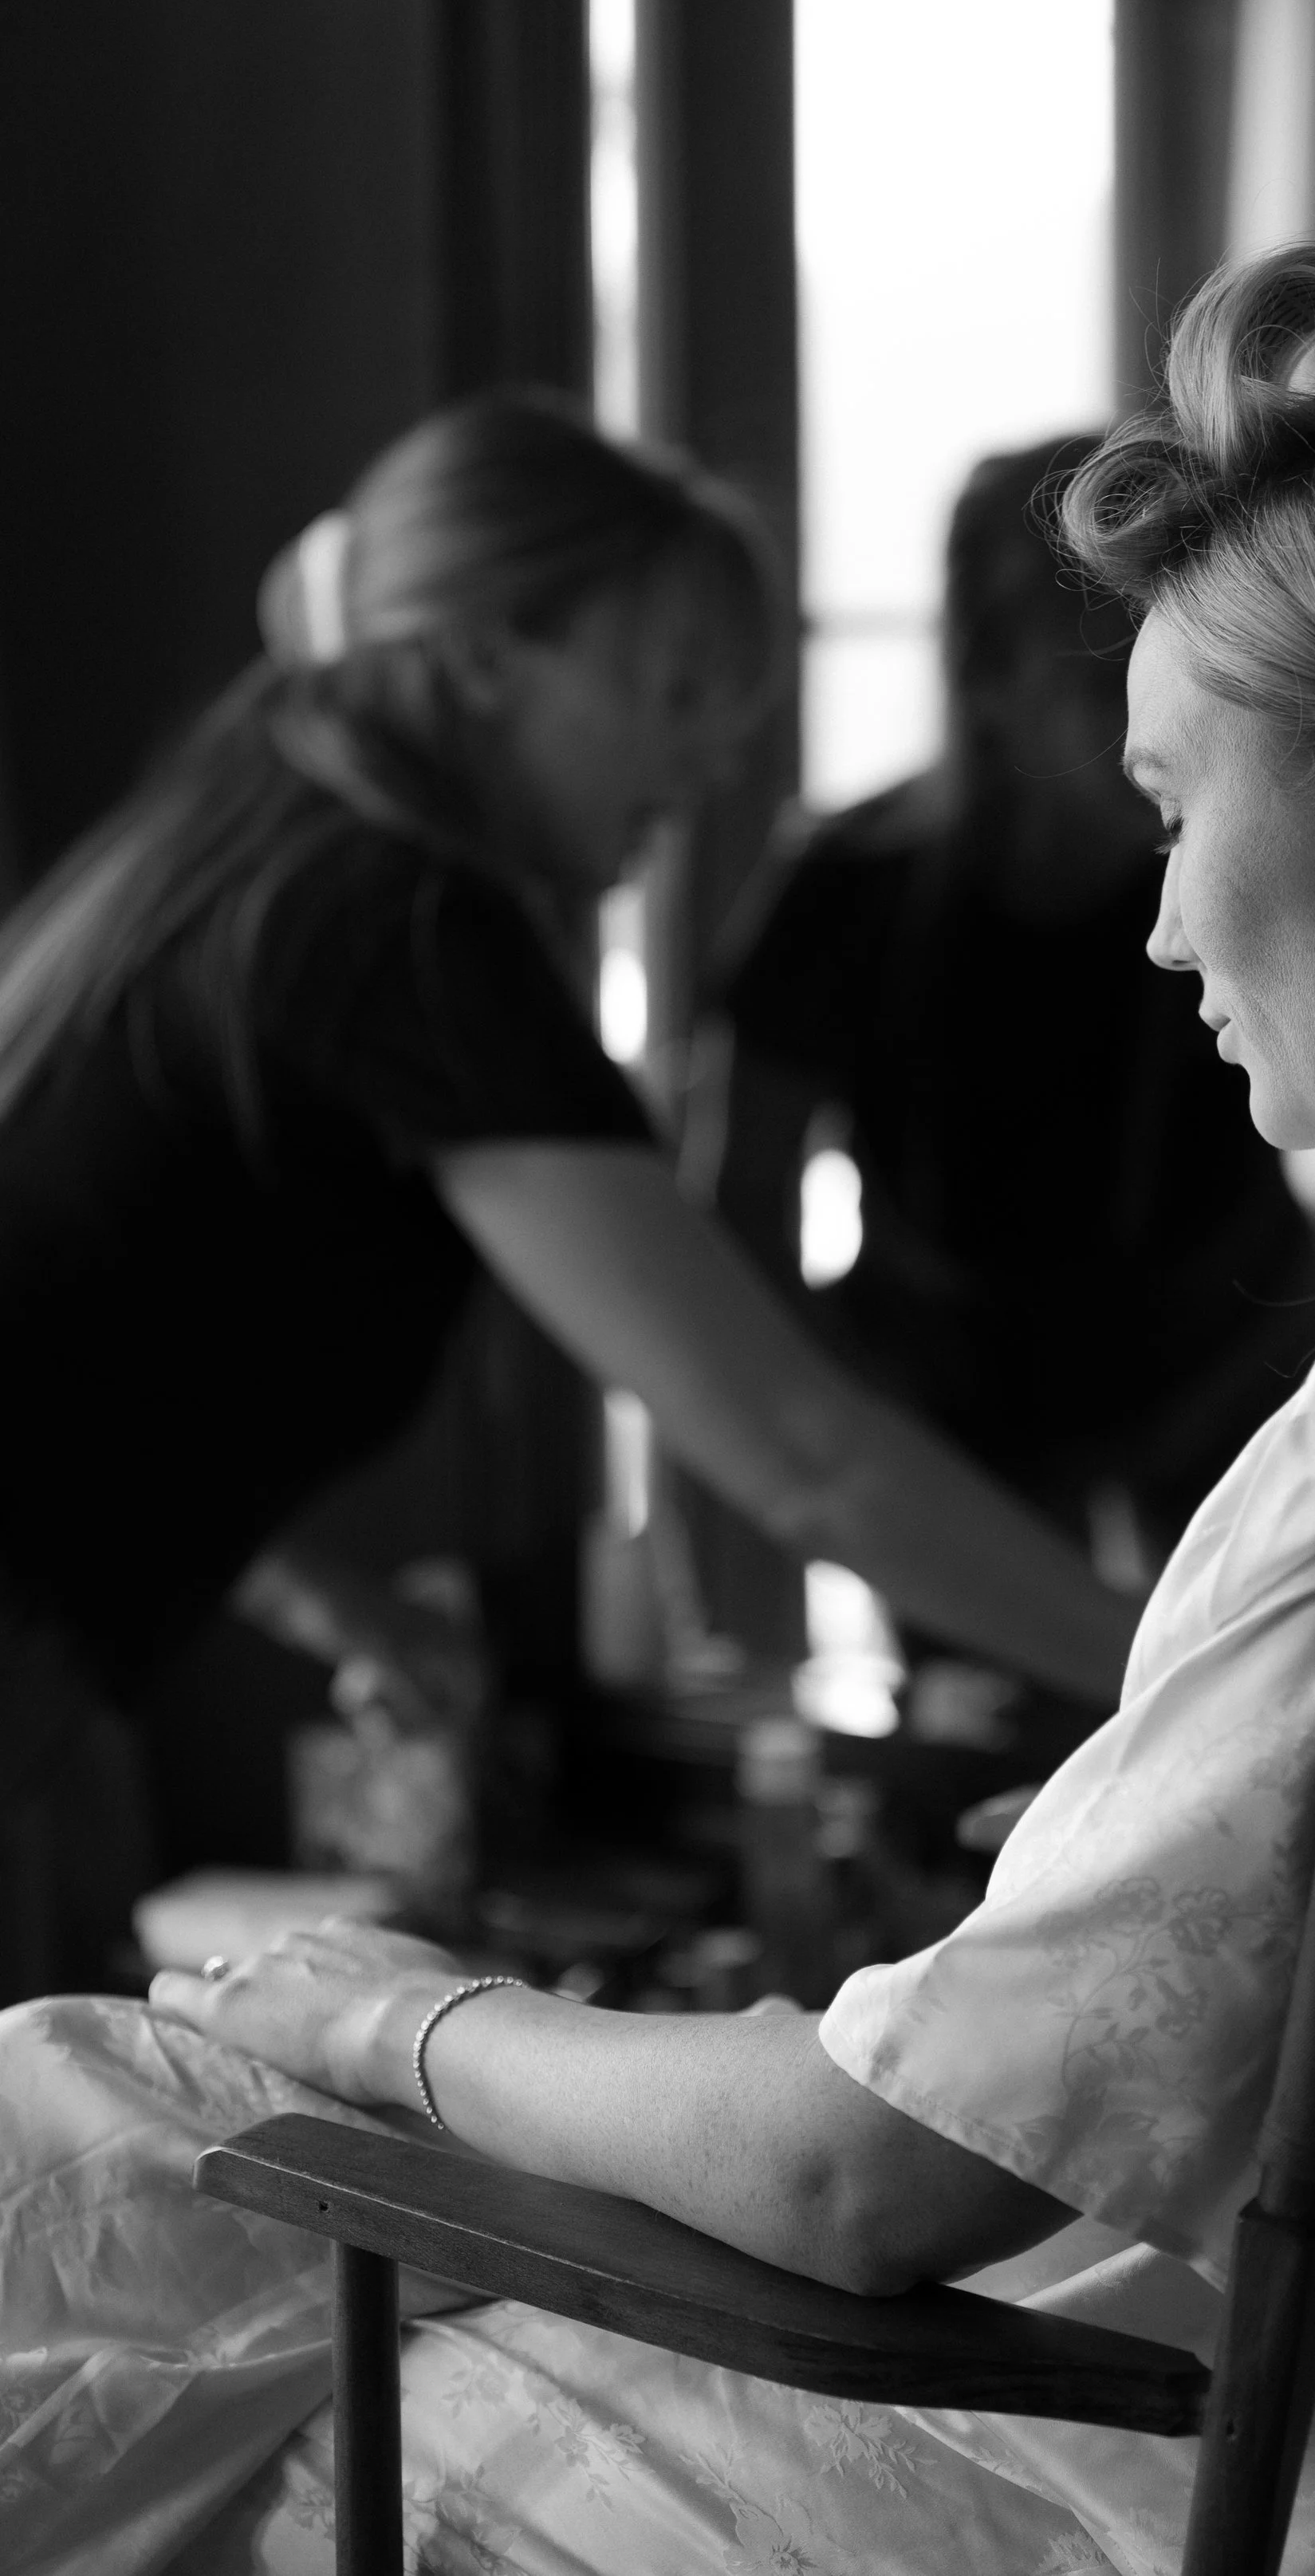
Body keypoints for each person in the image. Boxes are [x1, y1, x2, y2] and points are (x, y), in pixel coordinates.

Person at [5, 226, 1315, 2576]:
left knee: (94, 2129)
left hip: (1272, 2506)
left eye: (1175, 804)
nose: (1159, 926)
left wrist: (405, 2017)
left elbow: (854, 2172)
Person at [0, 389, 1132, 1992]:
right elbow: (798, 1453)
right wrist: (1170, 1664)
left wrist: (327, 1596)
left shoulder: (264, 816)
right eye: (670, 690)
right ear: (479, 662)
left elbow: (96, 1301)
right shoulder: (404, 925)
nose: (712, 753)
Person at [711, 436, 1315, 1752]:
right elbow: (740, 1214)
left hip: (1228, 1359)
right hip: (951, 1405)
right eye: (1102, 666)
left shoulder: (1241, 857)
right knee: (994, 1770)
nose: (1166, 710)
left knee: (1257, 1731)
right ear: (989, 678)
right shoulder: (845, 889)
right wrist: (841, 1434)